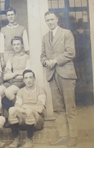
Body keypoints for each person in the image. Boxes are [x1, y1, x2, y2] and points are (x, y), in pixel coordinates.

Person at [41, 11, 77, 147]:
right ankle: (63, 136)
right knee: (57, 108)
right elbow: (42, 55)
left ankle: (73, 136)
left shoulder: (66, 33)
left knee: (70, 107)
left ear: (56, 19)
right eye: (47, 20)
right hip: (52, 75)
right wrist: (45, 62)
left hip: (66, 74)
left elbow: (70, 53)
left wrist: (55, 61)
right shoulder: (45, 37)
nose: (50, 22)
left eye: (51, 19)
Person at [8, 69, 46, 148]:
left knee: (29, 111)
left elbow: (40, 109)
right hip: (24, 120)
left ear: (34, 79)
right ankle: (16, 139)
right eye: (26, 78)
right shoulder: (20, 91)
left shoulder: (40, 90)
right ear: (23, 80)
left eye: (30, 77)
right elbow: (17, 106)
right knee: (12, 110)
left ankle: (29, 139)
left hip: (37, 121)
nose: (28, 80)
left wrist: (25, 107)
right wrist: (26, 108)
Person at [1, 36, 31, 111]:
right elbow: (5, 76)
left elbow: (26, 75)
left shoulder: (27, 58)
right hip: (10, 81)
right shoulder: (11, 59)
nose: (16, 47)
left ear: (22, 45)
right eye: (14, 45)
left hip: (21, 81)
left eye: (18, 44)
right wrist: (16, 74)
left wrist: (12, 74)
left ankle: (20, 108)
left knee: (8, 92)